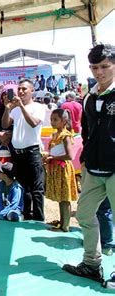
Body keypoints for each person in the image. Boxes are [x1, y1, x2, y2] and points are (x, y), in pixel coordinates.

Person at [62, 43, 115, 283]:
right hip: (93, 168)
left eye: (105, 66)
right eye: (94, 67)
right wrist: (84, 159)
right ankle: (92, 263)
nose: (99, 72)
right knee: (83, 214)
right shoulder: (89, 96)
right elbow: (86, 131)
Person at [2, 78, 46, 221]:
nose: (20, 91)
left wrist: (21, 106)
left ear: (32, 91)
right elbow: (5, 124)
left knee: (36, 189)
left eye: (24, 89)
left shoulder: (38, 107)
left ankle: (39, 219)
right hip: (18, 153)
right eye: (19, 89)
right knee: (23, 187)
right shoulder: (14, 109)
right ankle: (26, 216)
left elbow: (34, 123)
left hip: (32, 151)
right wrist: (8, 108)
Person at [42, 109, 78, 232]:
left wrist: (53, 158)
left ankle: (65, 226)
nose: (52, 122)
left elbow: (70, 156)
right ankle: (62, 222)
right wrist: (48, 157)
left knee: (65, 198)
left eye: (55, 120)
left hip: (63, 169)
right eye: (51, 119)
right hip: (56, 169)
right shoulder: (55, 135)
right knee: (60, 197)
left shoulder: (66, 136)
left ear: (64, 121)